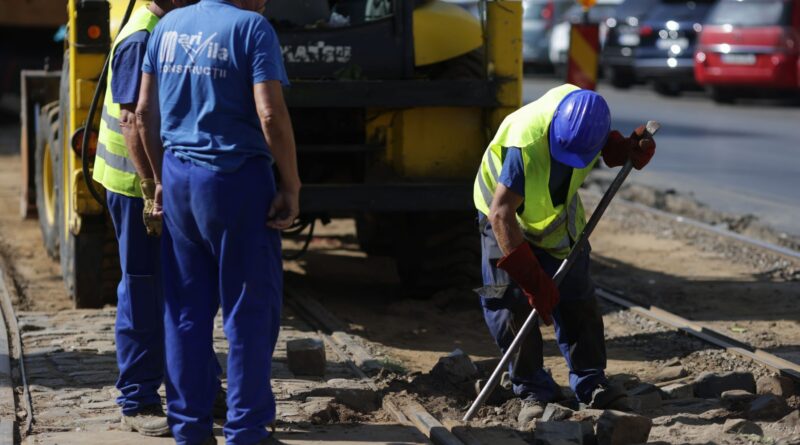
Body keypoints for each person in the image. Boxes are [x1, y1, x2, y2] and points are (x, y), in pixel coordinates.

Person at [136, 0, 300, 443]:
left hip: (179, 177)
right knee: (249, 309)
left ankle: (189, 429)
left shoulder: (167, 26)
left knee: (184, 309)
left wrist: (159, 180)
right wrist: (291, 184)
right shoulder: (252, 29)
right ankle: (246, 430)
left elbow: (145, 111)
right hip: (236, 180)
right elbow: (270, 114)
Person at [472, 83, 656, 426]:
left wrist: (621, 150)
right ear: (556, 130)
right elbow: (501, 214)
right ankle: (531, 388)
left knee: (577, 297)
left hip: (554, 219)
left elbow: (604, 145)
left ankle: (590, 382)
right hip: (503, 219)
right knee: (509, 302)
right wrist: (531, 279)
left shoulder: (587, 118)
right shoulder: (525, 144)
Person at [93, 0, 195, 436]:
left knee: (179, 288)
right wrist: (153, 185)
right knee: (142, 290)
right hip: (135, 187)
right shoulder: (141, 37)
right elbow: (132, 119)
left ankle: (195, 387)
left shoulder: (162, 26)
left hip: (153, 184)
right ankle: (137, 399)